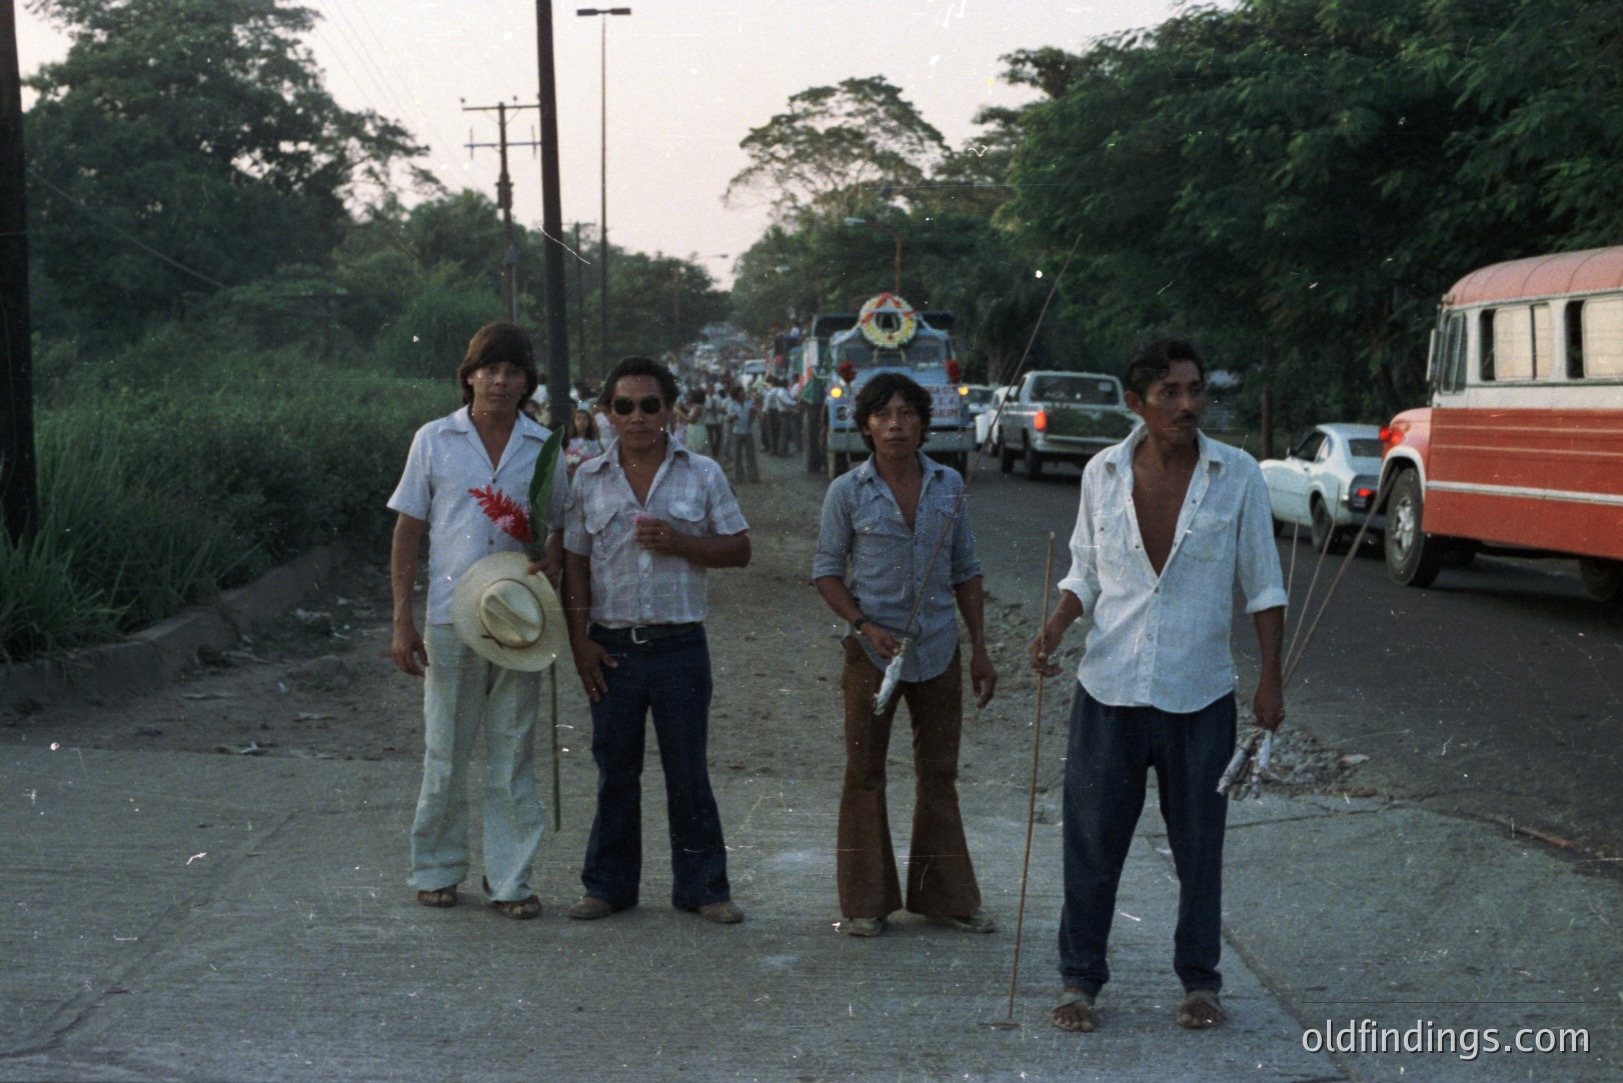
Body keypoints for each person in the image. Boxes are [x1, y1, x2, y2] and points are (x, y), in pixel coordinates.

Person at [1029, 336, 1286, 1033]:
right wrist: (1055, 626)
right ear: (1134, 402)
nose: (1187, 404)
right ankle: (1078, 980)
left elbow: (1263, 584)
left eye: (1195, 390)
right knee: (1090, 843)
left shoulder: (1236, 475)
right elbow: (1084, 570)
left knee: (1200, 846)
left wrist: (1269, 680)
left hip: (1198, 694)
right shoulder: (1101, 473)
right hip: (1107, 688)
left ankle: (1200, 980)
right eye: (1169, 392)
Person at [561, 356, 752, 925]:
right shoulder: (587, 479)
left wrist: (682, 542)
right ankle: (609, 887)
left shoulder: (703, 474)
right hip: (611, 647)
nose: (638, 417)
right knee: (615, 770)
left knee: (687, 770)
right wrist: (579, 644)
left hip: (679, 649)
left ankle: (703, 888)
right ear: (607, 414)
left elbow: (739, 549)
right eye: (624, 406)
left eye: (650, 405)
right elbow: (574, 564)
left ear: (670, 410)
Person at [387, 321, 567, 921]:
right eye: (489, 369)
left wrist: (551, 559)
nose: (500, 380)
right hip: (448, 617)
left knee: (513, 751)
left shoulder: (544, 446)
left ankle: (511, 881)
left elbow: (559, 530)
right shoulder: (435, 440)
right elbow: (408, 530)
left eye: (512, 370)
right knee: (446, 749)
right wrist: (401, 621)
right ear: (469, 376)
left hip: (521, 618)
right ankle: (436, 869)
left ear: (526, 383)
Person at [813, 372, 998, 937]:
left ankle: (946, 899)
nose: (896, 424)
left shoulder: (949, 485)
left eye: (908, 413)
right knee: (864, 771)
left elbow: (967, 570)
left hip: (940, 649)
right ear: (865, 425)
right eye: (884, 415)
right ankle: (866, 904)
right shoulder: (847, 491)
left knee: (938, 772)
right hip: (871, 654)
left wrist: (980, 652)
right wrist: (864, 626)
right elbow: (825, 572)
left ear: (924, 422)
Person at [724, 384, 760, 483]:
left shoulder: (749, 403)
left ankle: (754, 476)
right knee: (737, 456)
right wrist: (732, 417)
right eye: (742, 392)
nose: (744, 393)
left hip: (748, 432)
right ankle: (739, 477)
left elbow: (753, 416)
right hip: (737, 432)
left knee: (751, 455)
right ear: (737, 394)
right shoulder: (732, 405)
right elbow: (728, 418)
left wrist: (754, 413)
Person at [566, 407, 604, 479]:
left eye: (585, 419)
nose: (581, 421)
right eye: (578, 418)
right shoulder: (570, 440)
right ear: (574, 421)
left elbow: (597, 455)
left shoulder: (592, 441)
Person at [681, 388, 710, 454]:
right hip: (699, 428)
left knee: (695, 449)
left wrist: (683, 416)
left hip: (696, 430)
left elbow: (692, 420)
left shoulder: (698, 407)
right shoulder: (701, 406)